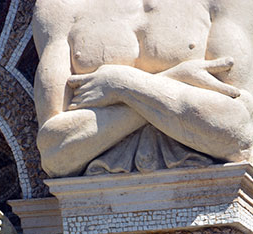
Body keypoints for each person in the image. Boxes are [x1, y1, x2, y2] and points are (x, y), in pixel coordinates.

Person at [33, 0, 253, 176]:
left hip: (214, 194)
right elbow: (54, 153)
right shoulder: (61, 7)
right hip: (98, 202)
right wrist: (175, 78)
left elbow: (237, 134)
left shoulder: (225, 3)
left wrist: (121, 83)